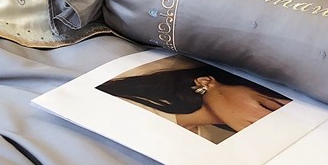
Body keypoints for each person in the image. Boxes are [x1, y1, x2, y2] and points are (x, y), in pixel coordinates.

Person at [97, 58, 290, 142]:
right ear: (206, 81)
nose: (267, 120)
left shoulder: (203, 141)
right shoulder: (132, 108)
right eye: (266, 106)